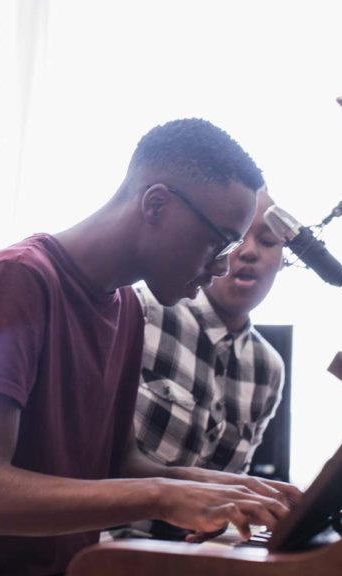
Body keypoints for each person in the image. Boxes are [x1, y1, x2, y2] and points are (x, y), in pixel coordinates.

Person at [0, 118, 302, 576]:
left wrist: (228, 489)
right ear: (156, 205)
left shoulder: (128, 309)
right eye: (218, 242)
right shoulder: (18, 280)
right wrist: (163, 495)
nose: (221, 266)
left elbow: (115, 464)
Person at [119, 187, 289, 541]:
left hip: (187, 559)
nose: (249, 252)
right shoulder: (144, 310)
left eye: (269, 241)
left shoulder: (268, 368)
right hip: (108, 549)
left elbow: (226, 501)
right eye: (235, 238)